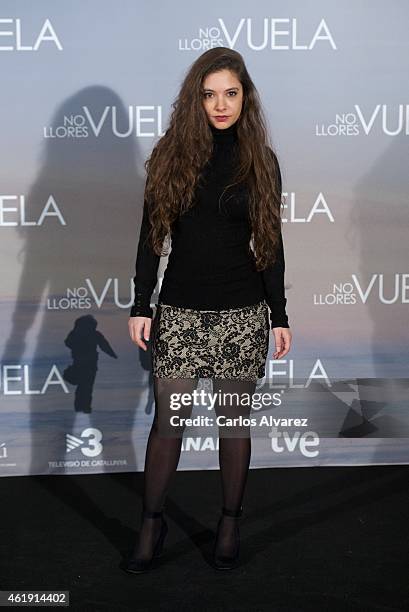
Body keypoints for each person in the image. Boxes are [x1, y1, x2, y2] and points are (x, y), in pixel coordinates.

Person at [125, 47, 292, 573]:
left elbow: (269, 242)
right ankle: (152, 524)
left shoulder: (260, 163)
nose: (220, 104)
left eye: (231, 93)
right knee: (168, 425)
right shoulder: (170, 157)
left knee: (233, 426)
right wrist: (141, 302)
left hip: (242, 313)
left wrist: (279, 314)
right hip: (180, 311)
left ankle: (228, 524)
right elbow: (151, 238)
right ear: (194, 99)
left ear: (246, 98)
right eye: (209, 94)